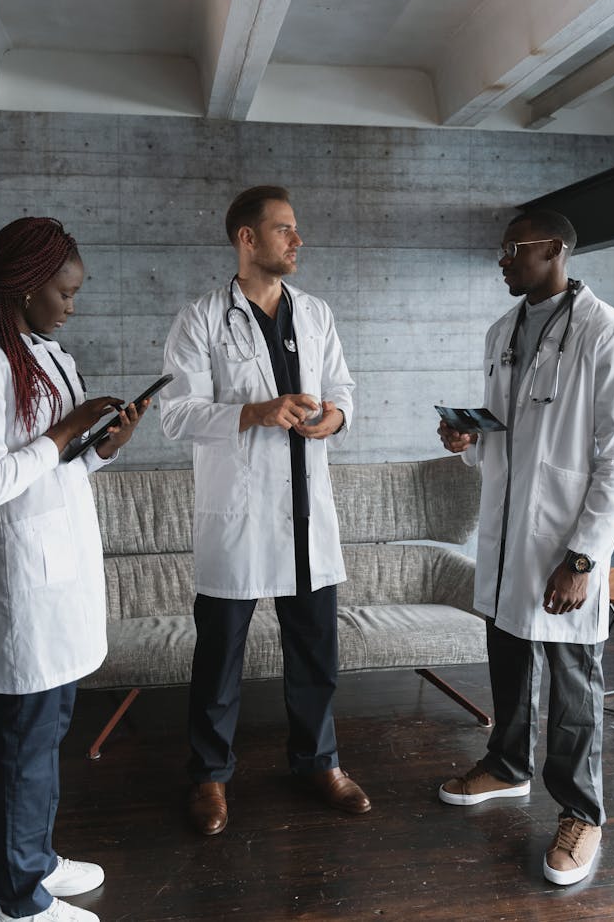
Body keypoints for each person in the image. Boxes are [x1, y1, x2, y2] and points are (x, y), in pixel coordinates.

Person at [0, 217, 149, 922]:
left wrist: (101, 448)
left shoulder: (44, 352)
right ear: (27, 287)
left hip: (62, 565)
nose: (72, 305)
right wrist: (66, 430)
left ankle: (35, 859)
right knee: (26, 738)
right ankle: (17, 901)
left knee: (51, 728)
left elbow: (54, 471)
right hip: (22, 576)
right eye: (65, 292)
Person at [437, 209, 614, 886]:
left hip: (563, 540)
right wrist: (468, 440)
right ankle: (506, 765)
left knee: (573, 679)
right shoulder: (502, 331)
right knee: (507, 653)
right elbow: (505, 433)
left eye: (512, 248)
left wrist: (583, 558)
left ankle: (583, 812)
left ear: (554, 249)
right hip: (505, 533)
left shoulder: (606, 334)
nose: (502, 259)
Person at [160, 185, 370, 836]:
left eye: (296, 229)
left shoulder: (316, 313)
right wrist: (254, 412)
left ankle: (319, 762)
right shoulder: (200, 319)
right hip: (241, 513)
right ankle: (209, 776)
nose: (297, 240)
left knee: (315, 651)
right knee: (219, 655)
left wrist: (334, 417)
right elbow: (176, 415)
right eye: (284, 229)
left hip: (307, 509)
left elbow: (343, 389)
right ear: (247, 238)